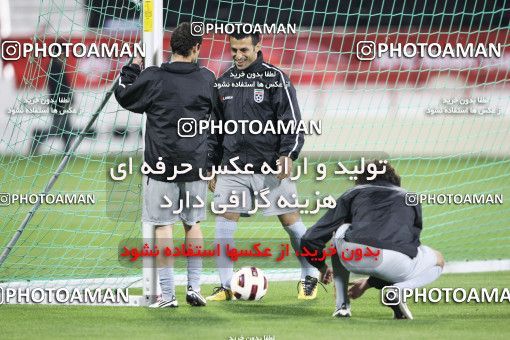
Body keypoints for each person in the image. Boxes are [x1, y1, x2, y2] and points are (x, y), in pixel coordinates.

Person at [206, 31, 319, 301]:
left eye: (244, 49)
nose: (238, 55)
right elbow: (214, 130)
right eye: (234, 50)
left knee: (291, 222)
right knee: (224, 221)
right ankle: (226, 286)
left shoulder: (275, 78)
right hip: (233, 166)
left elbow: (291, 122)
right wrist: (211, 164)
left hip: (270, 167)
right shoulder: (223, 83)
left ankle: (310, 274)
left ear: (258, 47)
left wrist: (288, 155)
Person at [115, 22, 219, 308]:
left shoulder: (153, 77)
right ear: (196, 48)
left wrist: (133, 65)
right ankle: (195, 287)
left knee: (163, 228)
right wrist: (213, 163)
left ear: (172, 47)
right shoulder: (208, 79)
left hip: (160, 165)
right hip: (195, 164)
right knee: (193, 223)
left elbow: (124, 94)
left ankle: (168, 295)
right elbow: (219, 124)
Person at [301, 160, 444, 319]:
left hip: (354, 256)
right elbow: (402, 246)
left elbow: (310, 238)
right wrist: (370, 283)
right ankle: (400, 289)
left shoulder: (353, 193)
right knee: (437, 258)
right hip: (397, 263)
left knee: (341, 229)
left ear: (360, 180)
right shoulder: (411, 198)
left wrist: (321, 266)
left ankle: (342, 306)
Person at [30, 41, 76, 155]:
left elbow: (64, 86)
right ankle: (38, 137)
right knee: (57, 129)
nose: (65, 54)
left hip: (61, 102)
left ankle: (68, 152)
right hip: (59, 103)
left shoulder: (58, 65)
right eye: (64, 52)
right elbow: (58, 88)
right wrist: (65, 100)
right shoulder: (55, 66)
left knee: (67, 129)